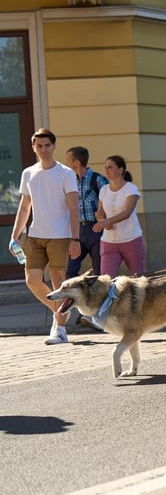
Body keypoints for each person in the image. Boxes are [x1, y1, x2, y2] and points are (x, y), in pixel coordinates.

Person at [10, 128, 81, 345]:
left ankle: (59, 330)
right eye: (39, 146)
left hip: (60, 236)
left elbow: (73, 208)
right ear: (34, 147)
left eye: (47, 145)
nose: (43, 149)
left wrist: (75, 239)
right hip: (35, 235)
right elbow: (24, 208)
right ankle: (62, 309)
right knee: (32, 280)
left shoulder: (66, 173)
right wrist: (15, 236)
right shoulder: (28, 173)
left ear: (54, 146)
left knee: (58, 282)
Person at [93, 155, 145, 277]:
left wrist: (107, 221)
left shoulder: (131, 189)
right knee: (105, 279)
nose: (106, 170)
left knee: (138, 278)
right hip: (108, 241)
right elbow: (100, 212)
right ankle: (110, 297)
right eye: (105, 167)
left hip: (131, 239)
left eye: (110, 167)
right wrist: (102, 220)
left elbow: (127, 212)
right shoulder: (104, 190)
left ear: (121, 170)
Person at [65, 146, 109, 276]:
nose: (66, 163)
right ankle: (80, 295)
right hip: (78, 232)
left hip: (97, 230)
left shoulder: (98, 179)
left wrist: (105, 220)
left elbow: (110, 201)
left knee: (100, 271)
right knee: (70, 269)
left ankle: (100, 295)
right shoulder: (71, 181)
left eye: (68, 160)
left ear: (77, 163)